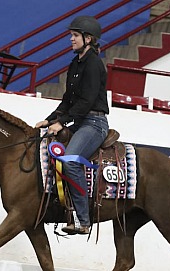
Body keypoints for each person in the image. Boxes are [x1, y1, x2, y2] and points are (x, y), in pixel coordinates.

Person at [35, 15, 109, 235]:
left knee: (70, 161)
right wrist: (50, 119)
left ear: (89, 39)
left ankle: (83, 220)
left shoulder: (94, 64)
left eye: (75, 35)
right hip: (79, 120)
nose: (71, 39)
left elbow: (86, 101)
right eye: (71, 35)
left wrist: (61, 122)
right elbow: (68, 100)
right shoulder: (75, 63)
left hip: (94, 123)